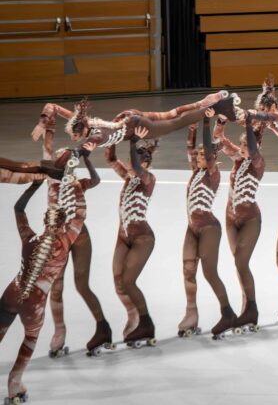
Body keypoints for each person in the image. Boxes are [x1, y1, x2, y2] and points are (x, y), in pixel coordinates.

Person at [1, 148, 96, 405]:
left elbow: (18, 209)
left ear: (45, 218)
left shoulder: (30, 238)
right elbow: (80, 213)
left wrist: (35, 185)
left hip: (13, 290)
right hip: (36, 301)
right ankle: (14, 383)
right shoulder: (66, 239)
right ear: (64, 221)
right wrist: (76, 188)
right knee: (29, 339)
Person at [35, 116, 109, 358]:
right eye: (60, 156)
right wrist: (47, 122)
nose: (63, 158)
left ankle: (103, 326)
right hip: (58, 238)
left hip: (80, 237)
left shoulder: (78, 184)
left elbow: (96, 180)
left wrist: (87, 158)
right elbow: (47, 147)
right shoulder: (51, 180)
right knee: (56, 287)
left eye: (66, 157)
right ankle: (60, 330)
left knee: (82, 284)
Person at [178, 115, 237, 340]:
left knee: (209, 272)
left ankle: (228, 312)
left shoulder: (213, 172)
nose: (199, 157)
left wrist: (205, 123)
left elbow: (207, 153)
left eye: (204, 155)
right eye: (199, 155)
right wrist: (192, 127)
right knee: (188, 270)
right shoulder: (196, 171)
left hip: (209, 227)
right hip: (192, 228)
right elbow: (190, 148)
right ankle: (191, 314)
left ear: (211, 157)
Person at [33, 91, 239, 148]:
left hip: (135, 126)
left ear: (82, 131)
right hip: (128, 115)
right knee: (170, 114)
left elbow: (90, 144)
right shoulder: (82, 120)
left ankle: (218, 106)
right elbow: (52, 106)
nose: (73, 138)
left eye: (74, 136)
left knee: (176, 123)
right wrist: (42, 123)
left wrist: (74, 152)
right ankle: (205, 101)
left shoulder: (94, 136)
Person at [105, 128, 158, 346]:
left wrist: (133, 141)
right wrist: (114, 136)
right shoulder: (129, 175)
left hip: (141, 238)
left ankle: (147, 324)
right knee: (118, 281)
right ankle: (133, 316)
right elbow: (110, 158)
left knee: (128, 281)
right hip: (123, 236)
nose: (129, 165)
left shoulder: (147, 178)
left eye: (133, 161)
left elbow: (136, 168)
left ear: (144, 163)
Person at [214, 114, 265, 334]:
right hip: (230, 216)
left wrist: (249, 123)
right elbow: (218, 138)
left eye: (246, 144)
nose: (243, 148)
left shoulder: (258, 162)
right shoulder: (237, 158)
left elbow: (253, 151)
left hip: (250, 219)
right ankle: (246, 308)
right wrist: (221, 121)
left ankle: (252, 310)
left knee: (242, 263)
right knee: (238, 264)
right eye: (242, 143)